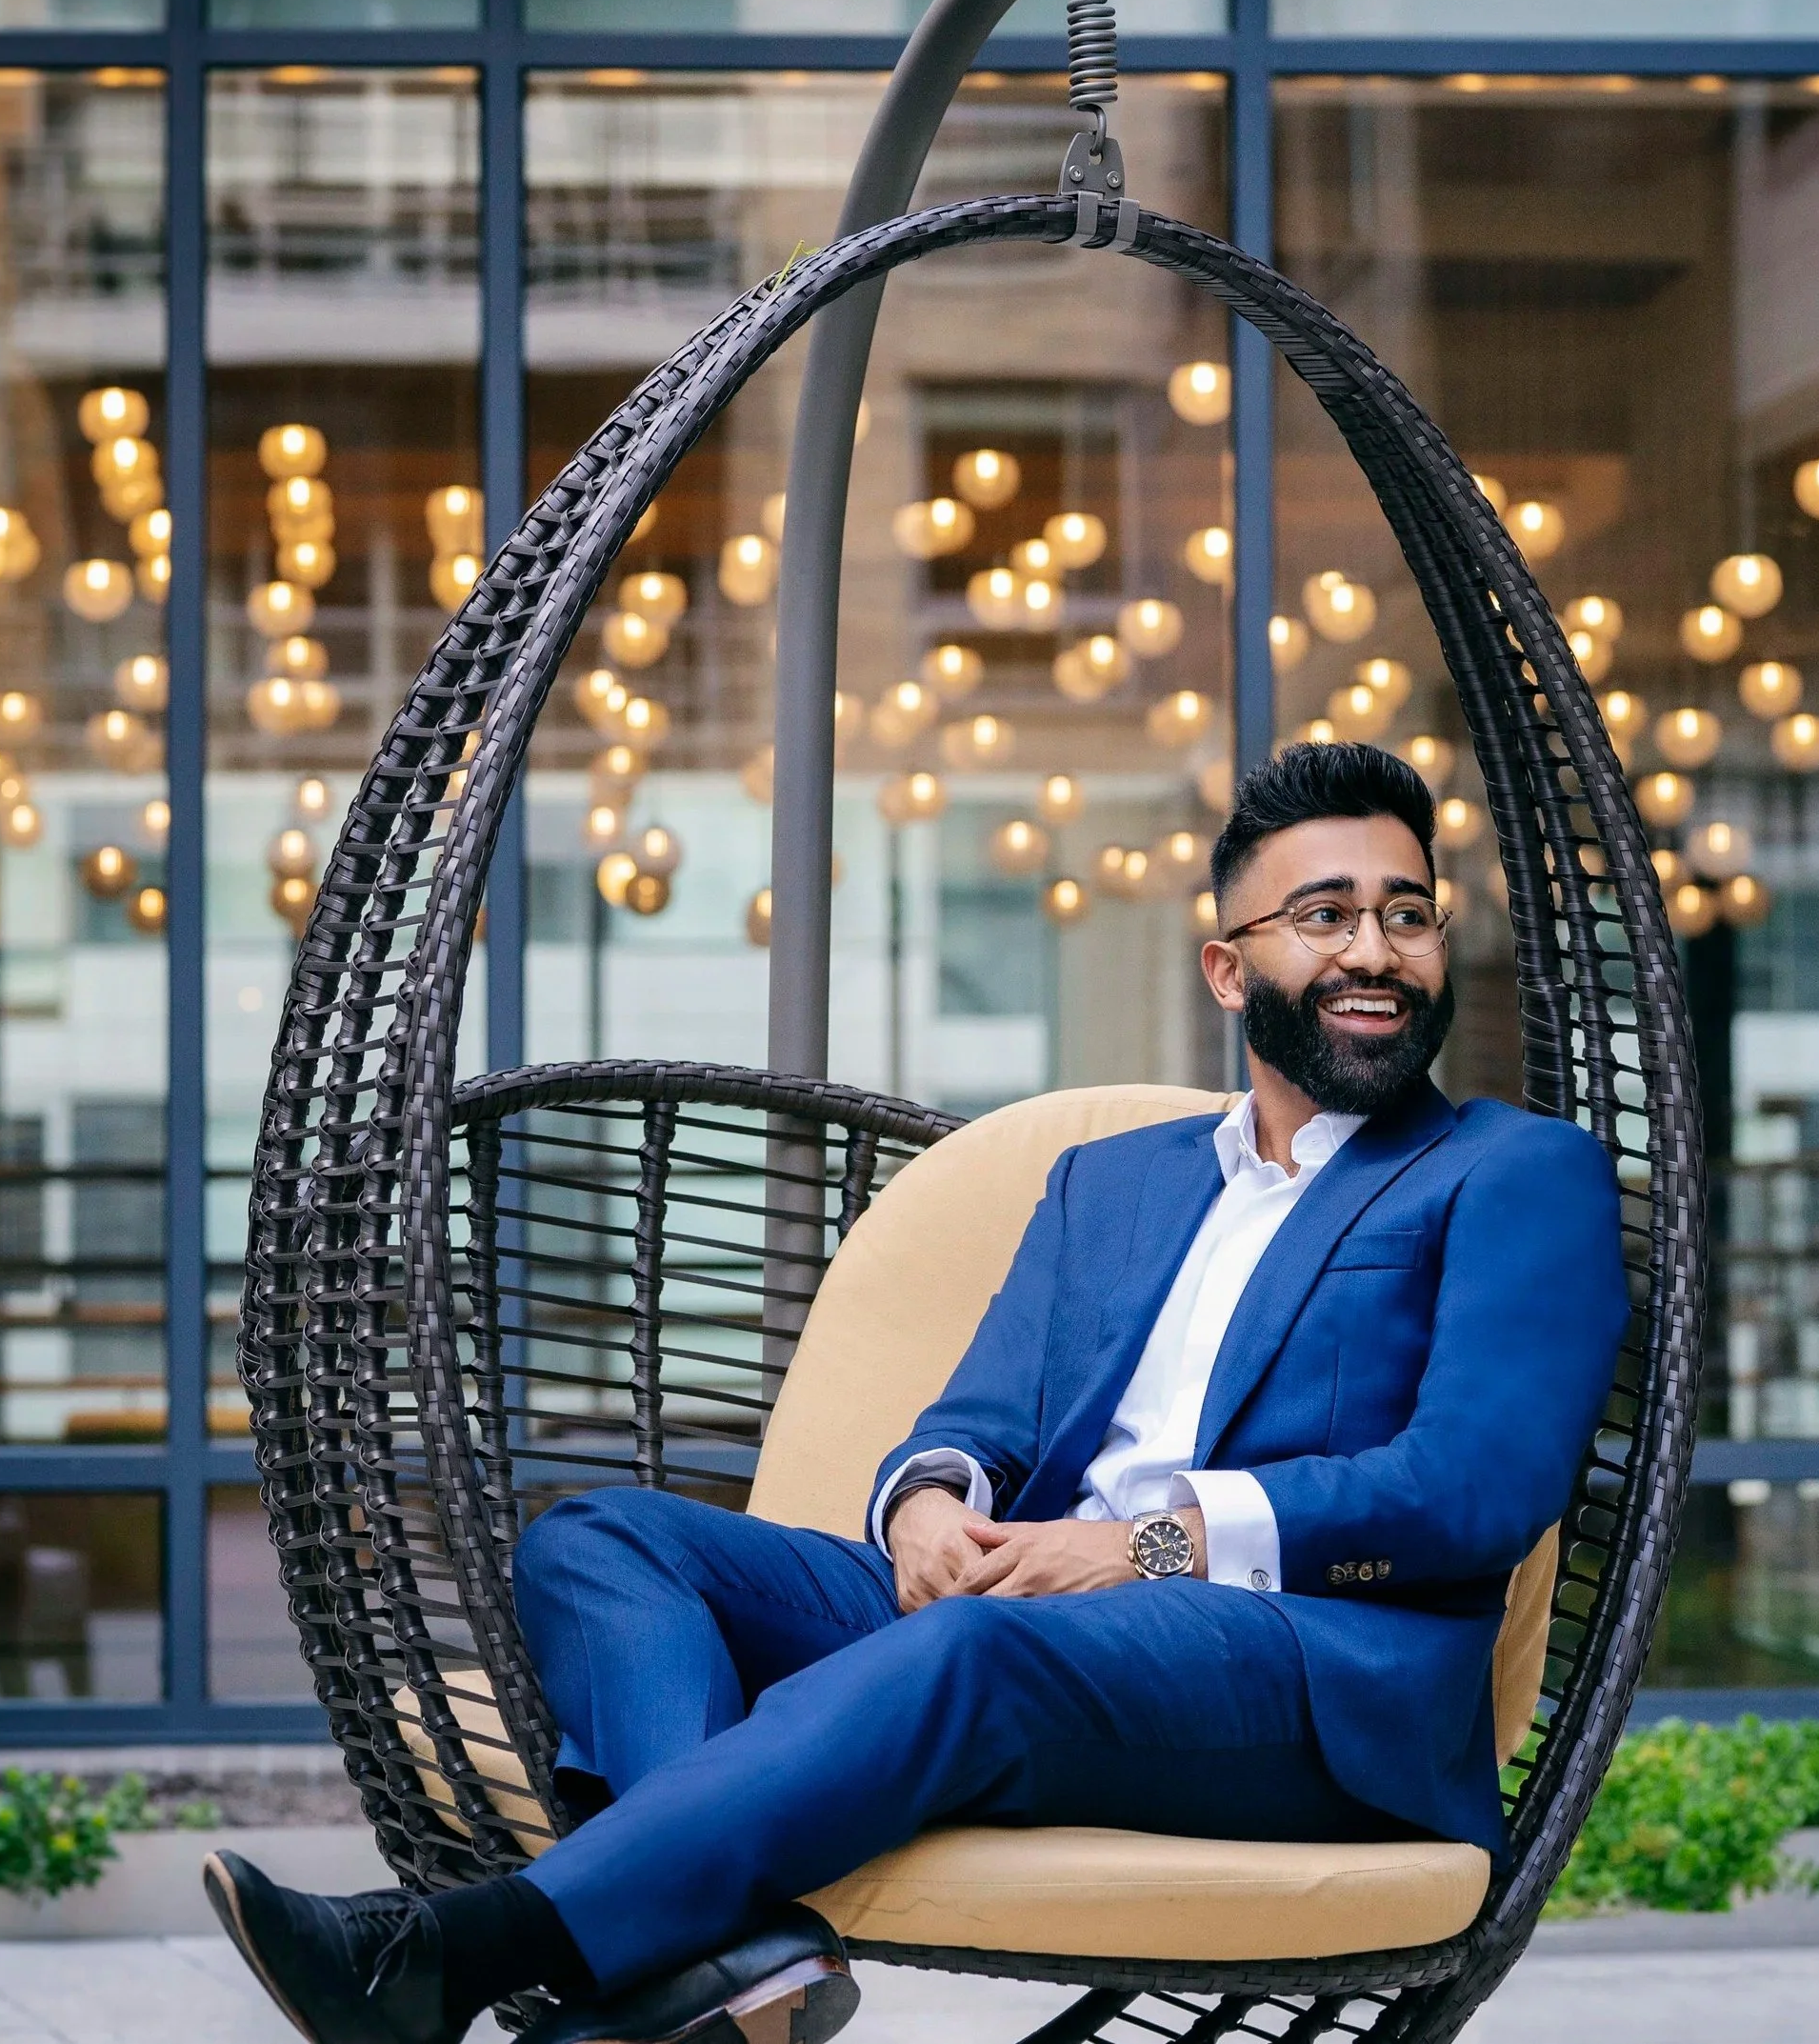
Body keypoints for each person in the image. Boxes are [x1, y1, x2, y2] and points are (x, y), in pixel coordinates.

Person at [205, 740, 1630, 2044]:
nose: (1374, 950)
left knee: (977, 1657)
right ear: (1226, 965)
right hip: (1041, 1614)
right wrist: (930, 1505)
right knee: (601, 1542)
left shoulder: (1512, 1174)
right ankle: (726, 1957)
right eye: (1324, 916)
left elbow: (1476, 1491)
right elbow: (985, 1412)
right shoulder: (1113, 1185)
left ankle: (457, 1955)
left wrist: (1143, 1544)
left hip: (1315, 1684)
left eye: (1407, 912)